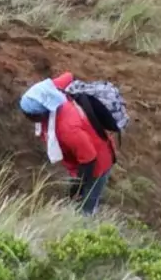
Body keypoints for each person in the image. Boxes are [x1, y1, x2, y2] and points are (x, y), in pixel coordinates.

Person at [19, 72, 116, 215]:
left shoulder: (67, 129)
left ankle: (89, 219)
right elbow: (69, 76)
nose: (26, 117)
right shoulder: (50, 93)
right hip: (81, 159)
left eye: (29, 115)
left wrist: (78, 186)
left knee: (86, 206)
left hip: (98, 164)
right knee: (77, 196)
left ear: (42, 114)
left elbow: (90, 159)